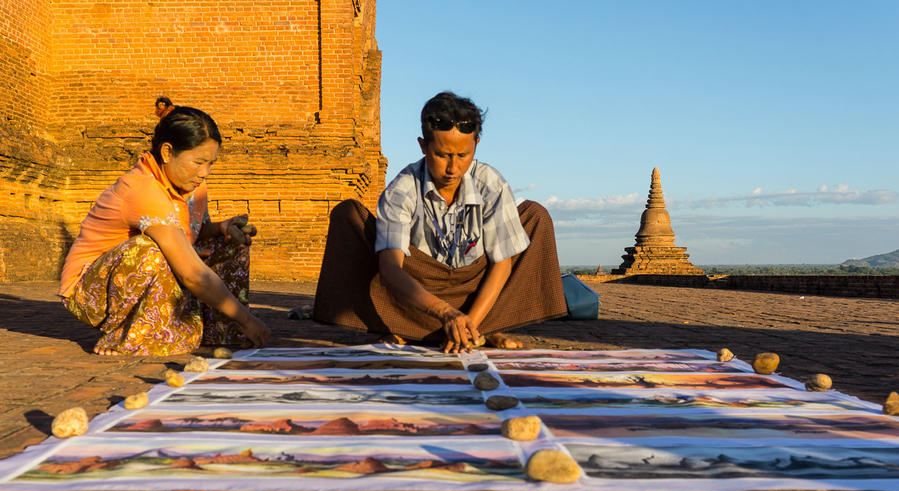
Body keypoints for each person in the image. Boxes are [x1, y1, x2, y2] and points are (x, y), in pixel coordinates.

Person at [314, 91, 567, 353]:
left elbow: (502, 264)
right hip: (417, 297)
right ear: (423, 146)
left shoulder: (490, 183)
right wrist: (445, 313)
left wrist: (467, 326)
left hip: (473, 292)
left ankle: (476, 329)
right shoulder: (402, 189)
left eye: (463, 155)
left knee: (536, 217)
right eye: (442, 154)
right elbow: (390, 269)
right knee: (348, 215)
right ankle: (408, 328)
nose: (453, 168)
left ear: (476, 145)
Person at [59, 105, 270, 355]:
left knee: (230, 244)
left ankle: (221, 332)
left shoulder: (193, 186)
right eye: (199, 162)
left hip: (154, 275)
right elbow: (191, 273)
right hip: (90, 292)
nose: (204, 173)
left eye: (211, 163)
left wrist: (220, 228)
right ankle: (129, 336)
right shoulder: (142, 189)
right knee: (151, 250)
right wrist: (246, 317)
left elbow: (192, 234)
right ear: (168, 152)